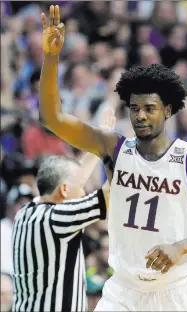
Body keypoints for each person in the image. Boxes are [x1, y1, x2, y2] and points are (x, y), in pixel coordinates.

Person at [39, 5, 187, 311]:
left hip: (175, 292)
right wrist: (51, 58)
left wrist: (180, 246)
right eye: (134, 108)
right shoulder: (113, 147)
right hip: (123, 290)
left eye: (149, 108)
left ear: (167, 110)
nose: (140, 116)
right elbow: (52, 117)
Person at [11, 108, 116, 312]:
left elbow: (72, 179)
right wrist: (111, 151)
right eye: (82, 188)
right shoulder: (59, 219)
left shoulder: (26, 212)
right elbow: (111, 190)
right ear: (65, 190)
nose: (85, 190)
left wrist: (98, 143)